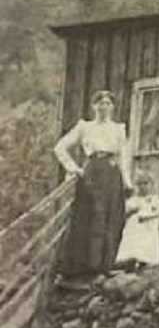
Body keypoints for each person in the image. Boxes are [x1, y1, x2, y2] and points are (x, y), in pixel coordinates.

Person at [54, 89, 133, 276]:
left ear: (113, 107)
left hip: (112, 173)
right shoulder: (85, 127)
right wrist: (73, 168)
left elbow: (123, 157)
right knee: (90, 215)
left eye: (107, 103)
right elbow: (60, 148)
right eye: (100, 103)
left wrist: (127, 181)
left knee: (110, 216)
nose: (103, 107)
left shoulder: (118, 129)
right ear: (94, 106)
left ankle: (105, 265)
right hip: (92, 172)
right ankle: (85, 265)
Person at [115, 169, 159, 271]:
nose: (143, 187)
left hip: (148, 228)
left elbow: (158, 211)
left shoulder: (154, 199)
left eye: (146, 183)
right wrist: (132, 211)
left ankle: (143, 265)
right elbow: (125, 212)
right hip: (135, 228)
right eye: (140, 184)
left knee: (146, 247)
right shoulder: (134, 200)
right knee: (133, 246)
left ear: (151, 184)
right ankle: (130, 264)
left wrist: (149, 215)